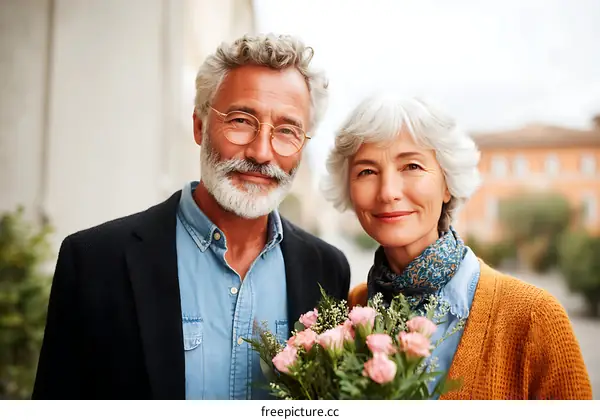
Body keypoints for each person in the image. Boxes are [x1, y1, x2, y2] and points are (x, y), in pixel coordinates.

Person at [32, 33, 351, 400]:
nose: (262, 153)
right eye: (241, 120)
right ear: (200, 126)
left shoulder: (328, 270)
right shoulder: (94, 261)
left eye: (286, 131)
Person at [321, 93, 593, 399]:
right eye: (367, 171)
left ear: (447, 183)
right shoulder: (351, 309)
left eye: (411, 166)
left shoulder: (534, 317)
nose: (388, 192)